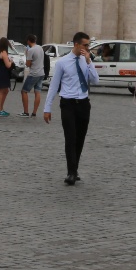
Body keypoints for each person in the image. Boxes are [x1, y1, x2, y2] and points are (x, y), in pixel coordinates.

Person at [43, 32, 99, 185]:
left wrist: (89, 62)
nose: (87, 48)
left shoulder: (86, 60)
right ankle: (71, 172)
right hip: (68, 104)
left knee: (80, 139)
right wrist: (47, 108)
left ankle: (75, 168)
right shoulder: (62, 62)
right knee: (70, 138)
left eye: (89, 45)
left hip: (83, 104)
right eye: (85, 45)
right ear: (76, 44)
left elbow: (95, 80)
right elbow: (54, 86)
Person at [20, 34, 45, 117]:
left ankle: (26, 112)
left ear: (28, 41)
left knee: (24, 91)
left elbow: (28, 64)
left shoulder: (31, 50)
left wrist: (27, 54)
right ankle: (34, 112)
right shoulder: (40, 48)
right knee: (37, 92)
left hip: (34, 73)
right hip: (41, 72)